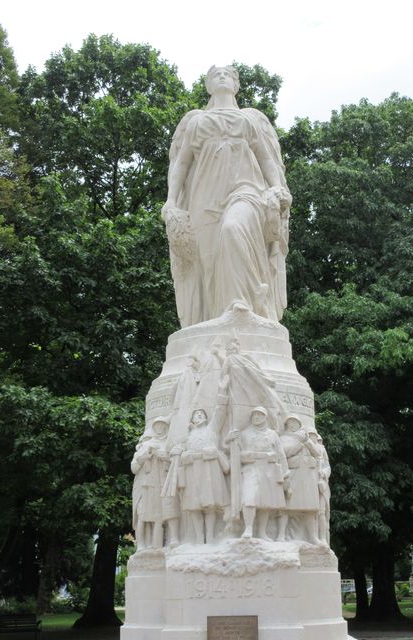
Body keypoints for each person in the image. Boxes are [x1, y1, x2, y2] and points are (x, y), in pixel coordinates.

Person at [162, 65, 291, 328]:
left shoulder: (248, 120)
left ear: (236, 85)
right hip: (205, 199)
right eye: (215, 75)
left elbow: (266, 158)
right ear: (209, 86)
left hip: (246, 191)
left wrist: (278, 189)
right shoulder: (197, 122)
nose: (222, 77)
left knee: (234, 230)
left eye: (228, 75)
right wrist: (171, 201)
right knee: (208, 263)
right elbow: (182, 165)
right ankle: (218, 317)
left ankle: (246, 304)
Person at [172, 376, 231, 544]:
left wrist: (222, 390)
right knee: (193, 505)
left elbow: (220, 411)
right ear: (191, 420)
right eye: (195, 415)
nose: (198, 416)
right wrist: (185, 456)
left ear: (205, 418)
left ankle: (211, 536)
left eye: (200, 414)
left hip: (208, 469)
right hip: (192, 470)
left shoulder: (211, 430)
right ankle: (198, 537)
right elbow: (180, 454)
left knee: (209, 504)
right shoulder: (187, 436)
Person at [229, 406, 289, 540]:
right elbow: (237, 454)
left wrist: (286, 473)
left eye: (260, 415)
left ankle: (262, 532)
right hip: (251, 468)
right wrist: (233, 441)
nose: (256, 417)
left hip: (269, 470)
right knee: (249, 498)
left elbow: (281, 454)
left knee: (266, 502)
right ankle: (248, 528)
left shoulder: (272, 434)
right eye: (254, 415)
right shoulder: (244, 434)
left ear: (265, 417)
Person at [131, 417, 178, 549]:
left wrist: (163, 455)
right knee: (142, 517)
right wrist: (146, 454)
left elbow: (173, 460)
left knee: (160, 516)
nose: (159, 429)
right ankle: (142, 545)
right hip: (146, 486)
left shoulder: (168, 443)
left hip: (163, 483)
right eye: (157, 426)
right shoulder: (145, 447)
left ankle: (159, 545)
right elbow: (134, 467)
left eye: (162, 426)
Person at [279, 417, 322, 544]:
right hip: (293, 475)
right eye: (290, 422)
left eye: (296, 423)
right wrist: (298, 442)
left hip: (308, 476)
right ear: (286, 424)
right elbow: (285, 452)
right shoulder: (283, 438)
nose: (293, 425)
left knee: (310, 507)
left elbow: (318, 453)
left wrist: (307, 441)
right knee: (286, 506)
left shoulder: (307, 440)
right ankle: (281, 535)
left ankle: (312, 536)